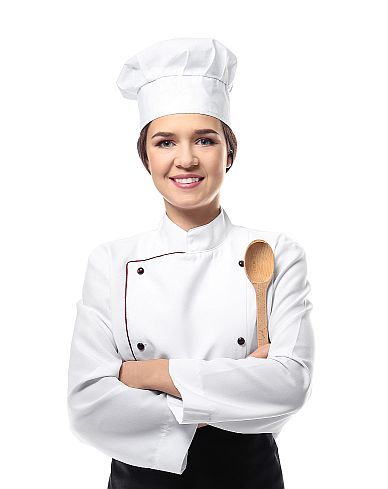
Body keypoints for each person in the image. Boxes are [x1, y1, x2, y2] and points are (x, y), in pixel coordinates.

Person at [67, 37, 315, 489]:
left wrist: (150, 374)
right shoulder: (111, 262)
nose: (186, 159)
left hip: (249, 476)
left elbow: (289, 386)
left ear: (229, 153)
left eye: (205, 139)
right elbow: (87, 406)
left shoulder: (274, 253)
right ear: (146, 158)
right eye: (165, 142)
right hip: (140, 479)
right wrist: (234, 391)